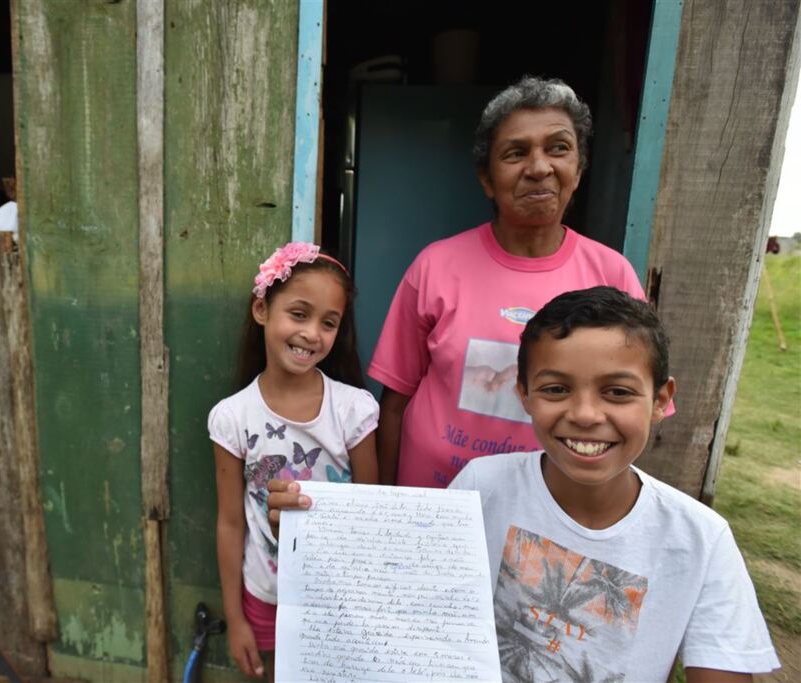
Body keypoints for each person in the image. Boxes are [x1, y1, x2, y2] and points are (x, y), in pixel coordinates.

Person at [269, 287, 779, 682]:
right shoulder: (483, 486)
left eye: (618, 392)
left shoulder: (700, 541)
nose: (585, 414)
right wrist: (312, 534)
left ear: (662, 400)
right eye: (556, 389)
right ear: (524, 394)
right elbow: (398, 597)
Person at [371, 76, 649, 489]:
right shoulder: (435, 266)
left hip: (544, 505)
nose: (539, 168)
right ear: (487, 178)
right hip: (435, 500)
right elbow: (395, 402)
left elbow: (634, 407)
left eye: (558, 148)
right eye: (516, 153)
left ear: (579, 168)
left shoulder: (612, 276)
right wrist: (387, 501)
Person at [208, 242, 379, 680]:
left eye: (328, 323)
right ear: (261, 310)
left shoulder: (353, 411)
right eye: (299, 314)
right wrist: (235, 620)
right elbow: (230, 523)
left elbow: (371, 514)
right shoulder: (232, 417)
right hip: (266, 593)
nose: (311, 334)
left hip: (338, 595)